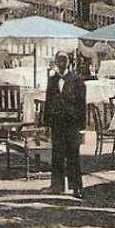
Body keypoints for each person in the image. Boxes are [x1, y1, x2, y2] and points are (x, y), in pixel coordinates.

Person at [44, 51, 87, 198]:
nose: (61, 63)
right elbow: (48, 102)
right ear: (55, 62)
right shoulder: (52, 80)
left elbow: (82, 105)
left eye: (64, 60)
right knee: (57, 154)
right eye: (59, 61)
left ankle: (76, 187)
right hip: (57, 123)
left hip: (72, 124)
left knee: (73, 155)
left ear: (69, 62)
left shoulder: (77, 80)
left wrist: (82, 127)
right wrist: (47, 123)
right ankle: (57, 185)